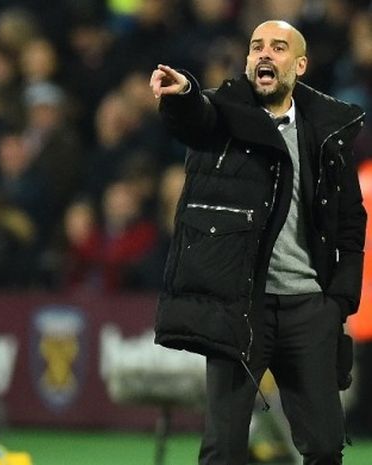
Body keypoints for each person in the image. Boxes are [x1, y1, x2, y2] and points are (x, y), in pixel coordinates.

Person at [150, 20, 366, 465]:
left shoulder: (326, 134)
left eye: (279, 47)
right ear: (248, 61)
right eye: (256, 47)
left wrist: (338, 301)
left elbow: (350, 222)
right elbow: (197, 117)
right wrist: (184, 94)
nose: (265, 54)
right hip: (241, 305)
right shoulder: (225, 115)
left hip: (309, 307)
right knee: (223, 447)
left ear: (300, 65)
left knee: (325, 446)